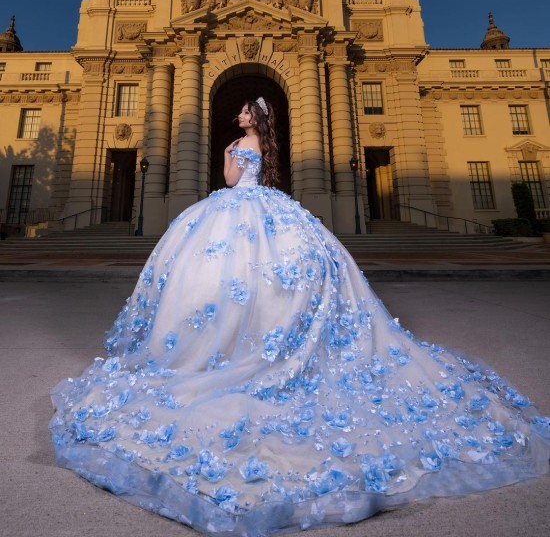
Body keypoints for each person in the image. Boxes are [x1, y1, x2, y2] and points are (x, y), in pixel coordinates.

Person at [50, 98, 550, 536]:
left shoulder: (235, 147)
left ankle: (223, 347)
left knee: (215, 278)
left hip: (235, 210)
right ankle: (270, 335)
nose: (240, 115)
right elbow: (263, 177)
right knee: (275, 277)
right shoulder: (267, 150)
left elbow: (228, 180)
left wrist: (227, 155)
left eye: (246, 112)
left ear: (253, 120)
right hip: (268, 209)